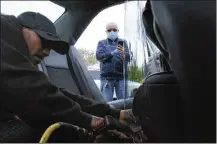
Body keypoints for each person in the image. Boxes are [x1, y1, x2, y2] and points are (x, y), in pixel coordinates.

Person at [0, 12, 135, 142]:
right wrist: (91, 122)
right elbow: (35, 93)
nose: (47, 52)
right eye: (44, 41)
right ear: (24, 28)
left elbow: (55, 94)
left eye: (51, 47)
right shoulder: (5, 30)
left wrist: (114, 114)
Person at [96, 22, 131, 102]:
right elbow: (99, 56)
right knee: (107, 104)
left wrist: (124, 54)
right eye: (109, 30)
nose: (112, 31)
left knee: (124, 103)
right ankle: (109, 115)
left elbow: (129, 58)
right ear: (106, 31)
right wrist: (111, 54)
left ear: (118, 30)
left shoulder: (123, 42)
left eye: (114, 29)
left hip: (121, 78)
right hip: (106, 78)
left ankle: (123, 114)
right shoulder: (101, 43)